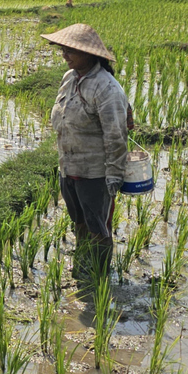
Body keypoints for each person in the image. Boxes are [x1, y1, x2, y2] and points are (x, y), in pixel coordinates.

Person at [43, 23, 128, 281]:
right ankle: (83, 267)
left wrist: (114, 175)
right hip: (69, 166)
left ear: (90, 54)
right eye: (63, 49)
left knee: (98, 226)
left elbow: (116, 135)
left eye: (71, 50)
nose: (64, 54)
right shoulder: (70, 78)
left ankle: (100, 276)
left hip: (95, 172)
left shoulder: (106, 88)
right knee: (78, 220)